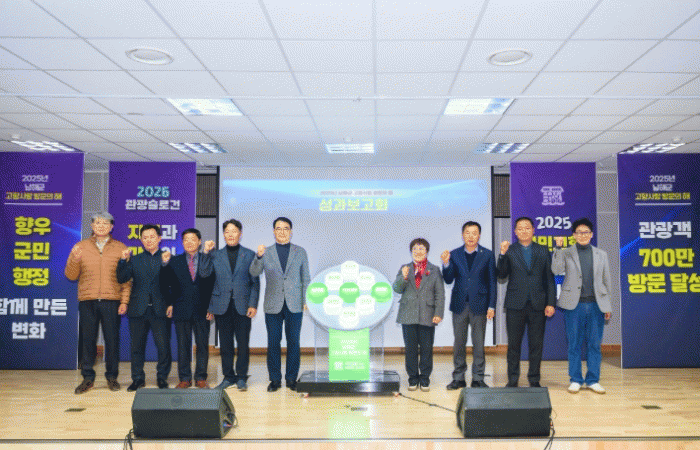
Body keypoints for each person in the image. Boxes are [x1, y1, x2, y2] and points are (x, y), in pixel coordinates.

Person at [65, 212, 130, 394]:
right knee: (88, 340)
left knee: (112, 340)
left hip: (112, 300)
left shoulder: (120, 248)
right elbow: (70, 275)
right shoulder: (80, 247)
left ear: (111, 227)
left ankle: (112, 377)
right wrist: (75, 259)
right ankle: (87, 378)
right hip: (88, 300)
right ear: (92, 226)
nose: (101, 226)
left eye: (105, 223)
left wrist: (124, 301)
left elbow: (126, 279)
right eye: (98, 223)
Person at [250, 217, 310, 392]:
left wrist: (305, 300)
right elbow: (254, 272)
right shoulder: (266, 252)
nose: (282, 232)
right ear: (273, 231)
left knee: (294, 342)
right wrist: (258, 256)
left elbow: (306, 278)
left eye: (286, 228)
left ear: (291, 231)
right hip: (273, 304)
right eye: (278, 228)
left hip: (294, 304)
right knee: (273, 342)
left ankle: (291, 379)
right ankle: (275, 380)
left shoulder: (300, 252)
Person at [552, 218, 612, 395]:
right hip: (574, 306)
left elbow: (606, 280)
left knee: (594, 344)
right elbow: (556, 270)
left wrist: (607, 305)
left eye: (586, 232)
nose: (583, 235)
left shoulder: (601, 254)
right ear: (574, 235)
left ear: (591, 234)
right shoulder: (566, 252)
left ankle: (593, 380)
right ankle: (576, 380)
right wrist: (558, 249)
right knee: (574, 344)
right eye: (579, 232)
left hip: (596, 305)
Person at [199, 219, 260, 391]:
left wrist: (253, 304)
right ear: (223, 234)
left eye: (234, 231)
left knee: (243, 344)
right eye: (227, 231)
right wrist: (205, 252)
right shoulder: (215, 255)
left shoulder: (249, 255)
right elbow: (204, 275)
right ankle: (228, 377)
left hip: (243, 306)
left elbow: (255, 283)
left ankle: (241, 377)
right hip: (221, 305)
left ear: (240, 234)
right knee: (225, 344)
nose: (231, 234)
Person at [497, 217, 556, 388]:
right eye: (520, 228)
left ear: (533, 230)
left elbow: (549, 279)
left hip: (538, 304)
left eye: (527, 228)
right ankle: (513, 379)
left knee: (536, 344)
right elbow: (501, 275)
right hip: (515, 304)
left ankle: (534, 379)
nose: (524, 231)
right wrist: (502, 254)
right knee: (513, 345)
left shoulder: (543, 250)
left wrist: (551, 303)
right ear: (515, 232)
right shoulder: (510, 250)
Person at [441, 221, 497, 390]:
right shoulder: (454, 254)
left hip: (480, 304)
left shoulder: (487, 254)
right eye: (467, 232)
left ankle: (478, 378)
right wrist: (446, 264)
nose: (471, 236)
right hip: (459, 304)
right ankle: (458, 378)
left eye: (474, 233)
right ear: (462, 234)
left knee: (479, 344)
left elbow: (492, 282)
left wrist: (492, 306)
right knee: (459, 343)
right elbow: (448, 279)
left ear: (479, 235)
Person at [117, 224, 172, 391]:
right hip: (138, 309)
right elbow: (121, 278)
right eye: (145, 237)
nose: (149, 240)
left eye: (152, 237)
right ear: (141, 240)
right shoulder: (134, 259)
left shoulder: (167, 258)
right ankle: (138, 379)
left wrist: (171, 303)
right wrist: (122, 261)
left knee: (163, 347)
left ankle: (162, 378)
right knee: (137, 347)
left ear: (159, 239)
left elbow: (173, 284)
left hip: (160, 308)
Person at [160, 228, 215, 389]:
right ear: (182, 242)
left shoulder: (208, 259)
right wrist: (170, 303)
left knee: (202, 345)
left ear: (199, 241)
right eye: (186, 239)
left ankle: (201, 378)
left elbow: (214, 285)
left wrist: (212, 307)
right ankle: (185, 378)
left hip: (203, 309)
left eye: (193, 239)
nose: (189, 242)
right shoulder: (174, 261)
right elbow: (166, 284)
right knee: (183, 345)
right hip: (181, 308)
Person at [393, 238, 444, 392]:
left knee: (427, 349)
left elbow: (439, 294)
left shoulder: (434, 270)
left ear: (427, 251)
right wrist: (403, 277)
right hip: (408, 314)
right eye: (414, 249)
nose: (418, 251)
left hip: (428, 314)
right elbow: (396, 288)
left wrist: (438, 313)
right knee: (410, 349)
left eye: (421, 248)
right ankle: (413, 378)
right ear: (411, 252)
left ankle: (425, 378)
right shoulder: (405, 268)